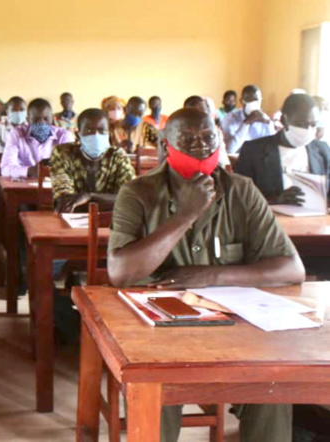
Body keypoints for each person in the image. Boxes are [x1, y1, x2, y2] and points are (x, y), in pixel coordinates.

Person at [108, 108, 304, 442]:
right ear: (167, 146)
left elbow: (291, 269)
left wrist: (210, 275)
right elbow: (120, 274)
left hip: (235, 332)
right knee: (154, 388)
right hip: (157, 335)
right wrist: (186, 214)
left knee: (272, 388)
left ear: (220, 138)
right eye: (187, 139)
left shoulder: (241, 190)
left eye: (208, 137)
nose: (200, 146)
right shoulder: (138, 192)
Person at [235, 93, 329, 206]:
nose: (308, 130)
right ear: (284, 120)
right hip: (270, 215)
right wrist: (273, 200)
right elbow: (239, 196)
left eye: (313, 124)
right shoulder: (254, 151)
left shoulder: (322, 150)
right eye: (301, 124)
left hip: (315, 216)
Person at [50, 108, 135, 213]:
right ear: (78, 134)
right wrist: (111, 201)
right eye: (89, 131)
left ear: (109, 133)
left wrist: (89, 196)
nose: (96, 135)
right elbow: (64, 200)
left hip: (111, 219)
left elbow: (130, 196)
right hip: (72, 219)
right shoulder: (63, 153)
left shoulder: (117, 155)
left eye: (102, 131)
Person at [0, 98, 72, 178]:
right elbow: (5, 169)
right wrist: (29, 171)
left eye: (46, 119)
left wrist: (46, 171)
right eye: (36, 119)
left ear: (52, 119)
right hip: (24, 184)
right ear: (28, 120)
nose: (42, 123)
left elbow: (70, 169)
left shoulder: (64, 136)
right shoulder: (17, 134)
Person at [220, 85, 276, 154]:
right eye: (249, 100)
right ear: (241, 101)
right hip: (237, 159)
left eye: (256, 100)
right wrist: (246, 123)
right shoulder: (230, 118)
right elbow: (229, 150)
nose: (253, 103)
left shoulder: (264, 120)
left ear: (261, 101)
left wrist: (269, 123)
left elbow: (273, 148)